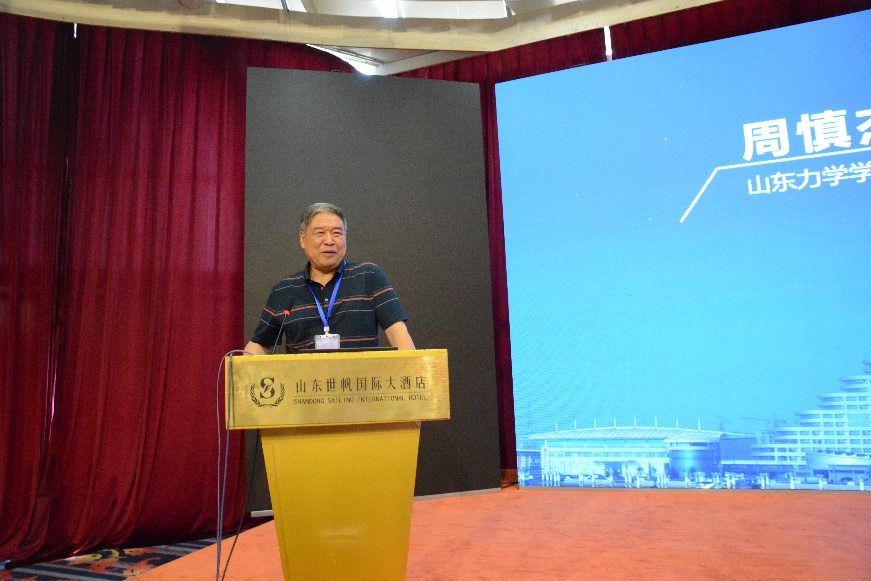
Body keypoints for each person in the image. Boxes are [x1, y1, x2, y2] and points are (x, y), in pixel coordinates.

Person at [244, 202, 415, 354]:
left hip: (359, 379)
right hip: (304, 380)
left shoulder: (369, 276)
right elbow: (260, 346)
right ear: (303, 239)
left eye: (337, 233)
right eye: (320, 233)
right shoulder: (284, 290)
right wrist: (243, 369)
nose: (329, 241)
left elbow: (397, 333)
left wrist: (414, 370)